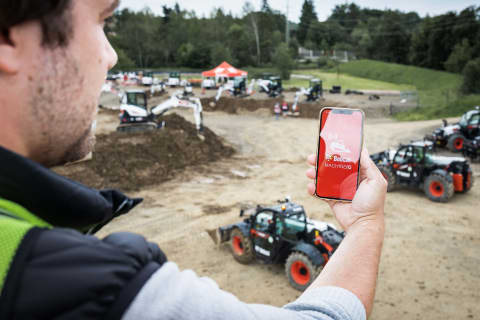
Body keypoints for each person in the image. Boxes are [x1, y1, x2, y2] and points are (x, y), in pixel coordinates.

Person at [0, 1, 387, 319]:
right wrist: (366, 224)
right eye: (103, 20)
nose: (112, 56)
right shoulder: (98, 289)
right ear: (7, 40)